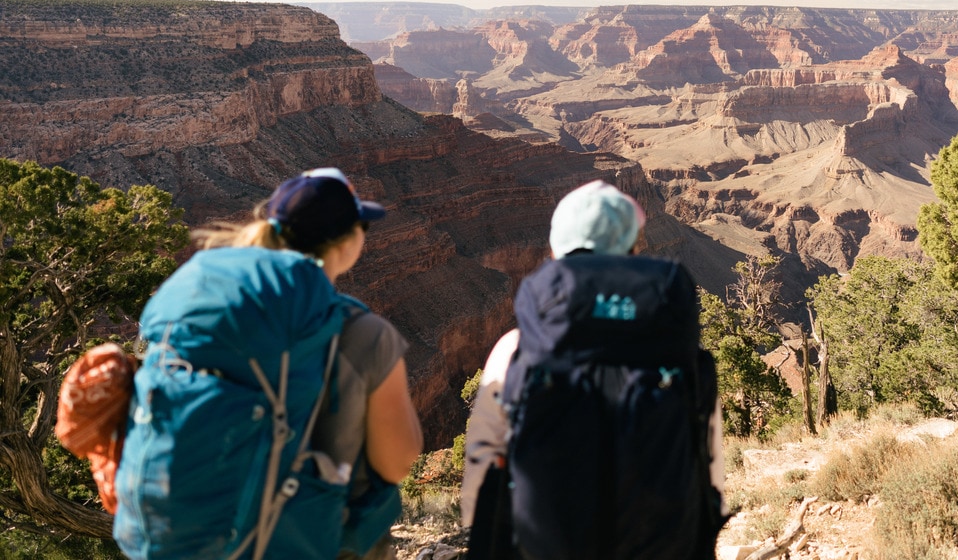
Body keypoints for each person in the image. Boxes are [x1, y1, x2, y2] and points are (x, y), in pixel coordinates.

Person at [114, 168, 422, 560]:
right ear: (346, 241)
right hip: (304, 542)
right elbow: (397, 463)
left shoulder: (201, 308)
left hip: (183, 542)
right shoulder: (362, 333)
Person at [460, 180, 726, 559]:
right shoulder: (678, 354)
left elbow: (482, 465)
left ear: (554, 252)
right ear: (635, 250)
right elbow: (707, 459)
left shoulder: (515, 350)